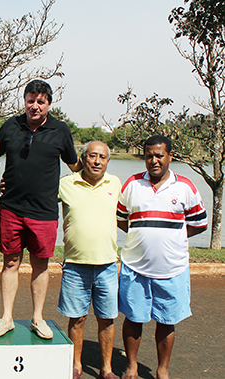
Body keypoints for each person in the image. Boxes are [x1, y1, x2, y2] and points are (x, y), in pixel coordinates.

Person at [0, 79, 81, 340]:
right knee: (11, 262)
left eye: (41, 101)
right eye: (30, 100)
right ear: (25, 101)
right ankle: (6, 318)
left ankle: (37, 318)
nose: (35, 106)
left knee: (41, 264)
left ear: (49, 104)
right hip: (11, 207)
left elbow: (76, 168)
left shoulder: (60, 130)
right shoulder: (10, 126)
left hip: (44, 211)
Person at [117, 135, 207, 379]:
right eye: (149, 155)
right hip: (135, 267)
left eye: (159, 155)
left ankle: (162, 370)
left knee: (166, 320)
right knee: (133, 318)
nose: (153, 160)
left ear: (170, 156)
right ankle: (132, 367)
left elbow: (199, 223)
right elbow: (121, 220)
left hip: (173, 268)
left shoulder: (185, 186)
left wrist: (174, 236)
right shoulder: (132, 184)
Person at [57, 141, 121, 379]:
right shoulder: (65, 184)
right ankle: (76, 365)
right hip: (75, 265)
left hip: (106, 265)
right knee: (78, 318)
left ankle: (106, 368)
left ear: (107, 161)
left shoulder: (115, 184)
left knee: (107, 318)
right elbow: (38, 196)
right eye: (92, 156)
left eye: (102, 157)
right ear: (82, 159)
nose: (97, 161)